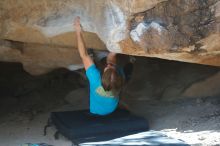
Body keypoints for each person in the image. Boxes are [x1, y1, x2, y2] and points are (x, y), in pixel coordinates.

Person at [74, 16, 124, 116]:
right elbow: (111, 59)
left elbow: (83, 55)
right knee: (111, 58)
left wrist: (78, 32)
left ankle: (93, 58)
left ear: (101, 77)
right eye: (112, 68)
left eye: (107, 69)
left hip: (95, 110)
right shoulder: (121, 77)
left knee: (89, 59)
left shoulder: (95, 79)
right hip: (111, 108)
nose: (109, 65)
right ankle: (95, 58)